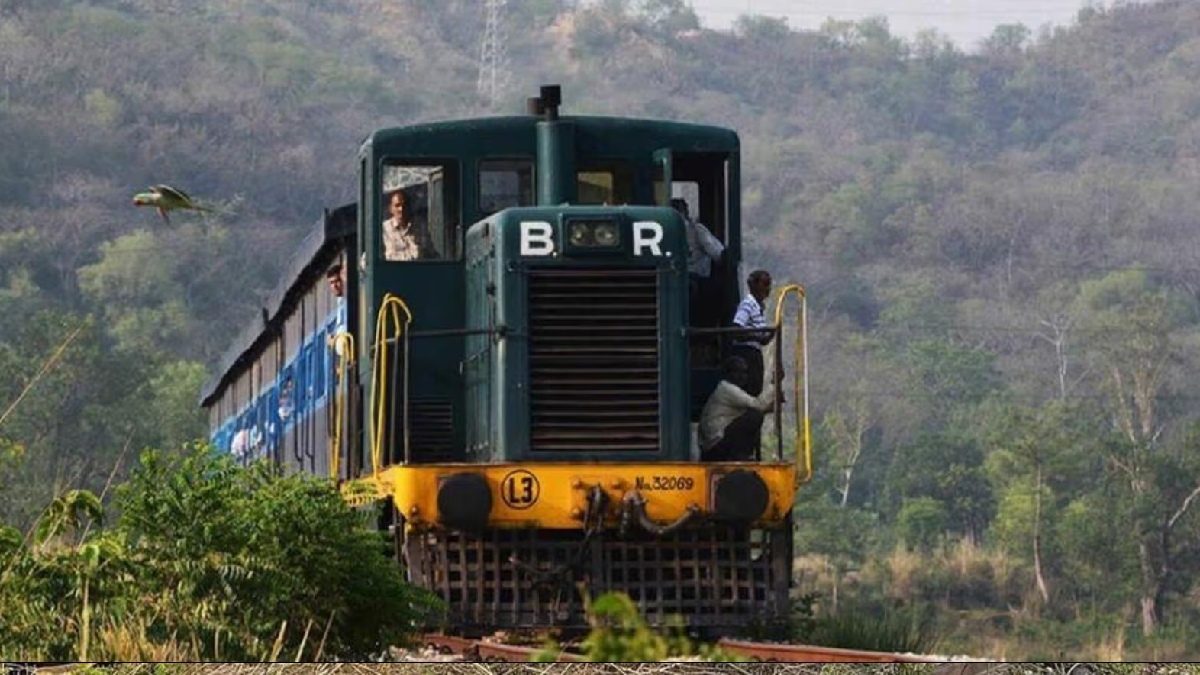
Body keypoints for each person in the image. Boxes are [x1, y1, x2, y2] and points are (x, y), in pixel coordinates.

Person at [699, 355, 776, 461]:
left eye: (745, 372)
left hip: (713, 445)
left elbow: (759, 407)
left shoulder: (728, 390)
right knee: (755, 416)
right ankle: (739, 455)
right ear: (728, 374)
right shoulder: (727, 389)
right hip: (714, 446)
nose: (742, 376)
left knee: (754, 414)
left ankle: (741, 455)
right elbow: (758, 405)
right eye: (738, 372)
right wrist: (773, 384)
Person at [672, 198, 724, 327]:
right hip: (691, 279)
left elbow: (717, 253)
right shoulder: (697, 230)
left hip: (680, 279)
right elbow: (718, 254)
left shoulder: (696, 231)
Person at [731, 270, 774, 396]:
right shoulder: (748, 304)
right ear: (754, 286)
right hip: (747, 352)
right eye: (765, 284)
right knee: (749, 387)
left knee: (756, 387)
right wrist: (757, 337)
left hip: (754, 351)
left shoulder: (757, 307)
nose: (768, 289)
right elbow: (736, 329)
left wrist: (767, 336)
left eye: (769, 284)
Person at [382, 190, 439, 261]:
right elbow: (368, 259)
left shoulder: (420, 229)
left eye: (404, 205)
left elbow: (433, 255)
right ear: (391, 208)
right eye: (397, 205)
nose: (401, 209)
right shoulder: (384, 230)